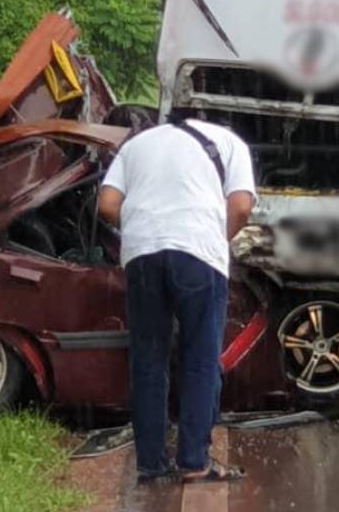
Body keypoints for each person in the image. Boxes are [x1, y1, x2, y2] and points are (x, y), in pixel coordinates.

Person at [98, 113, 256, 484]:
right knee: (200, 357)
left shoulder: (136, 145)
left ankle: (151, 464)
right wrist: (216, 240)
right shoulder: (230, 142)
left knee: (148, 359)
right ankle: (193, 461)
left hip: (142, 253)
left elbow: (106, 204)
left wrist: (143, 230)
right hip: (199, 251)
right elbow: (242, 207)